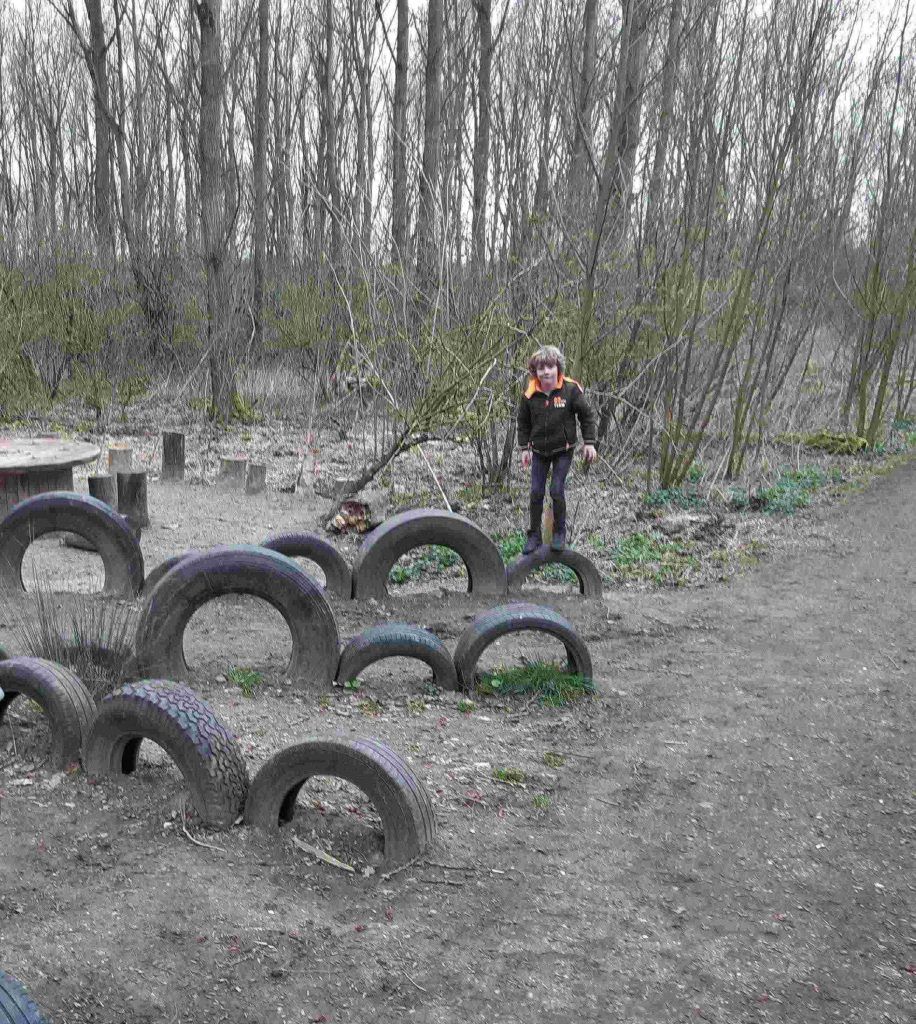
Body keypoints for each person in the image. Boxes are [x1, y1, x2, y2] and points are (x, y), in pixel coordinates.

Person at [517, 345, 597, 554]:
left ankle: (559, 533)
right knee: (535, 492)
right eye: (541, 368)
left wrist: (589, 442)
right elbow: (523, 422)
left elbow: (587, 416)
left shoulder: (570, 390)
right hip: (539, 451)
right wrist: (524, 448)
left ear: (557, 368)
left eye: (550, 367)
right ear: (535, 372)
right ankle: (533, 535)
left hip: (564, 449)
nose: (546, 372)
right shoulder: (530, 394)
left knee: (556, 490)